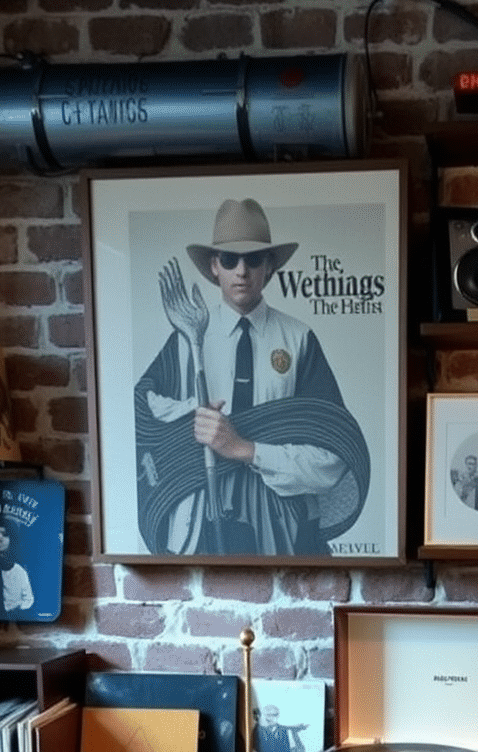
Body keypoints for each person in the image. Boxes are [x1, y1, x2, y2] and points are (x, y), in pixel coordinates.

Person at [134, 197, 370, 557]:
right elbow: (141, 413)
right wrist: (193, 416)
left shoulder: (299, 340)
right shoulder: (186, 338)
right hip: (200, 524)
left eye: (253, 259)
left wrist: (245, 449)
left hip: (285, 529)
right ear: (214, 266)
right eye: (230, 259)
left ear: (269, 266)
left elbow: (332, 454)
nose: (241, 271)